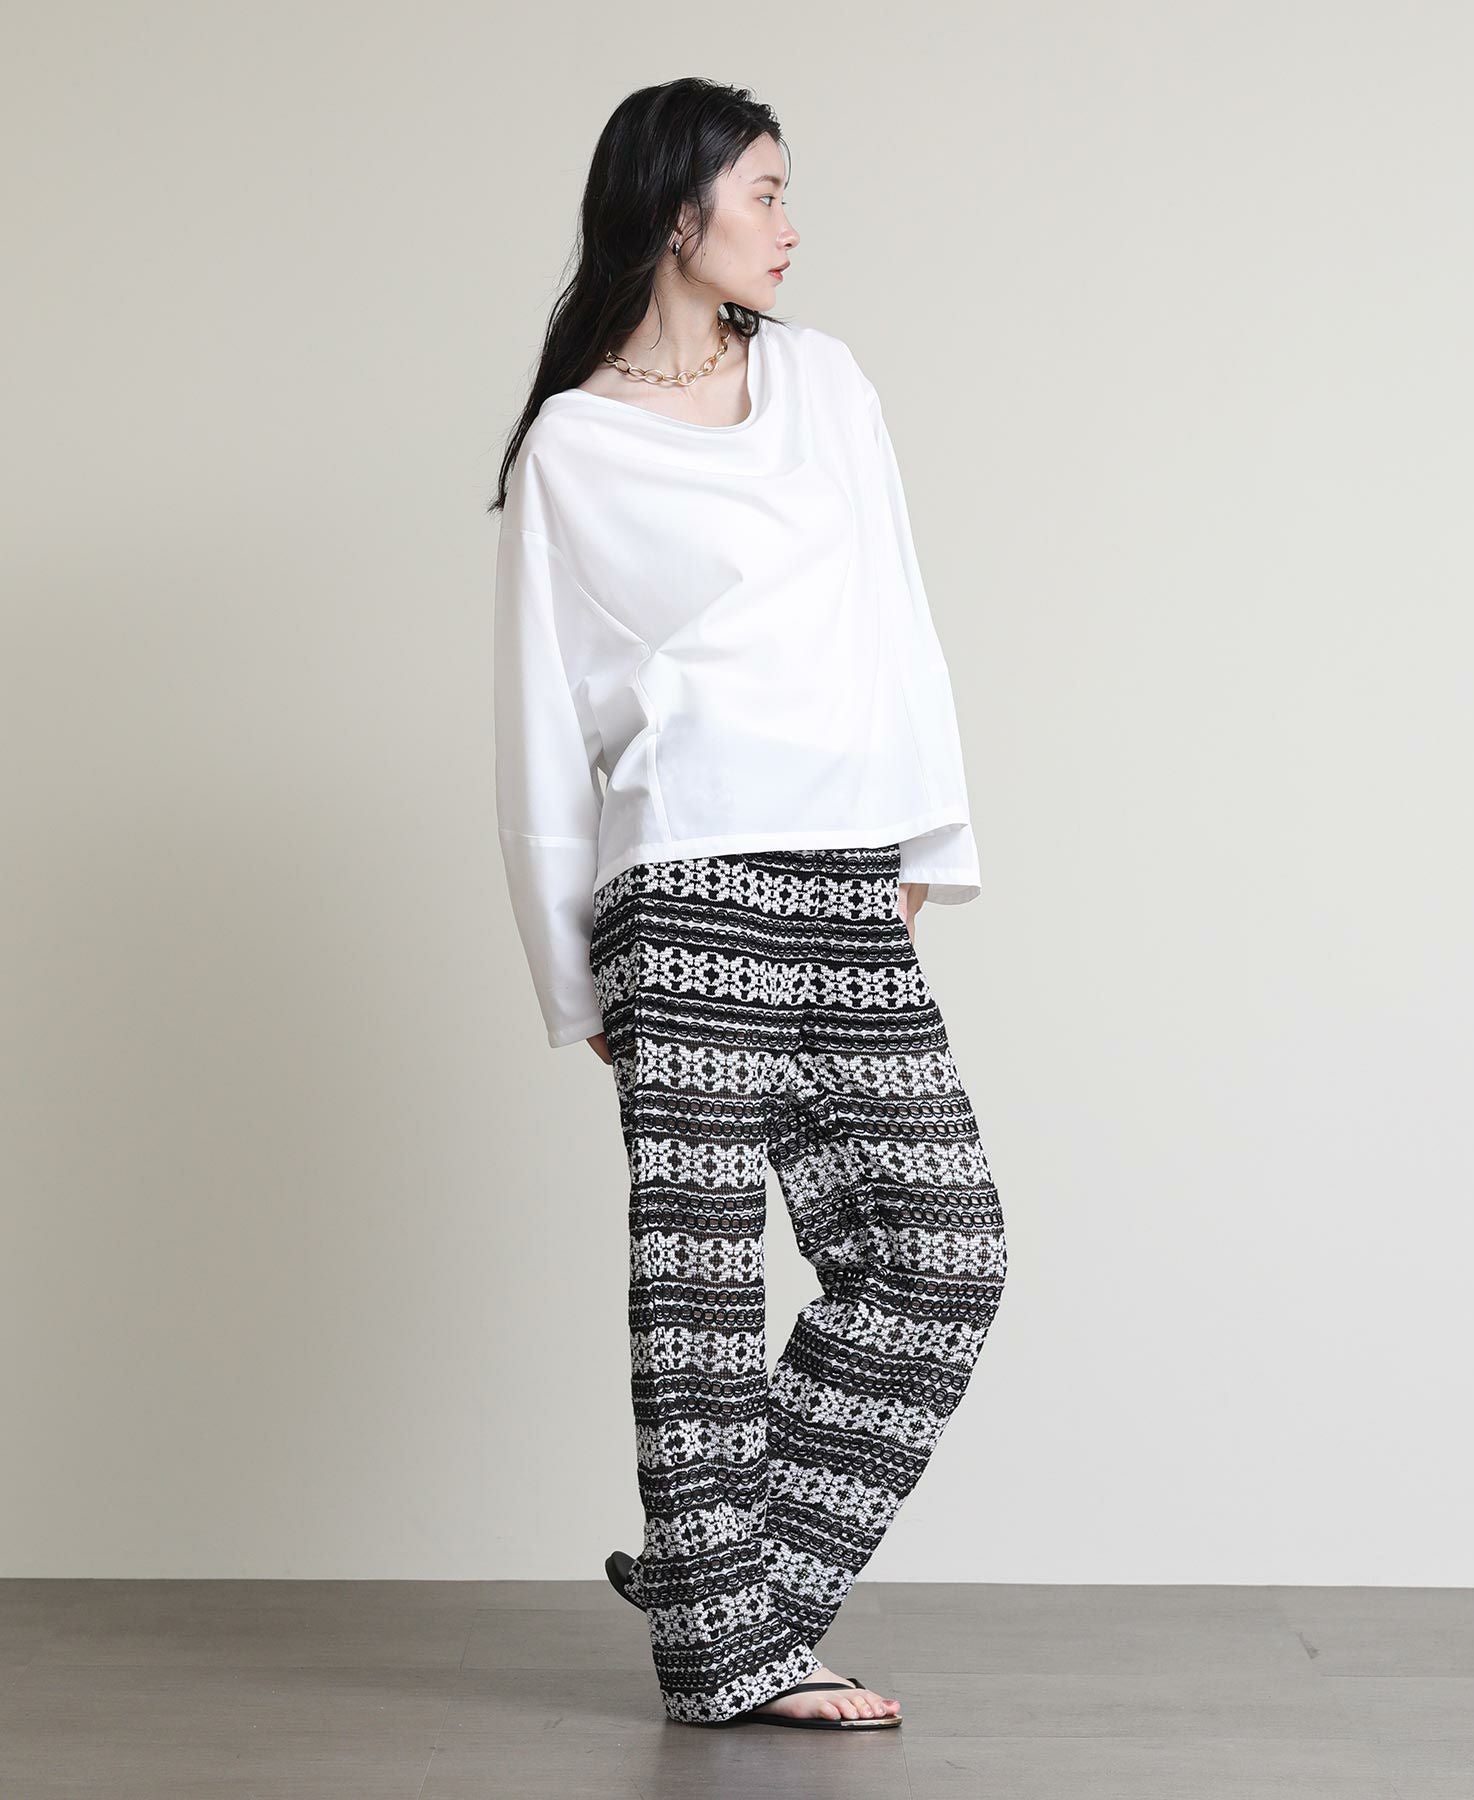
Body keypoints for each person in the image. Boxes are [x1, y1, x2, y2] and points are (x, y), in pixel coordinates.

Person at [489, 77, 1009, 1731]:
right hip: (687, 881)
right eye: (765, 192)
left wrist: (925, 834)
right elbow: (544, 717)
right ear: (677, 210)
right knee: (703, 1289)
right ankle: (726, 1648)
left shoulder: (826, 382)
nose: (791, 225)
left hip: (847, 865)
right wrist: (575, 977)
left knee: (939, 1252)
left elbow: (897, 609)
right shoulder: (575, 444)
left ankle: (717, 1582)